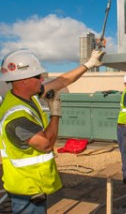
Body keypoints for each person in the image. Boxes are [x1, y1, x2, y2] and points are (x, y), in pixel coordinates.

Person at [0, 48, 104, 214]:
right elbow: (46, 144)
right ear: (24, 80)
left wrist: (89, 64)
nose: (42, 79)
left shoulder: (27, 96)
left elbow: (62, 81)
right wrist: (55, 112)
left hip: (33, 185)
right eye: (37, 76)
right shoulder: (17, 117)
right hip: (27, 189)